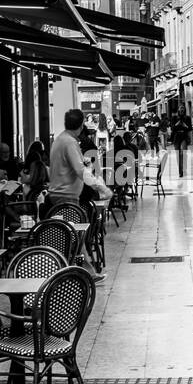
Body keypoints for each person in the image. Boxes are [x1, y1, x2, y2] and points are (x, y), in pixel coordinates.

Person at [48, 109, 112, 279]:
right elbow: (80, 171)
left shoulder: (60, 139)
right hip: (66, 196)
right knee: (75, 234)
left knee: (74, 234)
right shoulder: (69, 142)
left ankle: (88, 271)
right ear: (82, 125)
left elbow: (70, 166)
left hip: (59, 194)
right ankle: (85, 272)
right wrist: (102, 188)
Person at [170, 105, 192, 178]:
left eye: (183, 108)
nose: (182, 110)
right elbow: (172, 128)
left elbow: (190, 128)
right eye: (180, 108)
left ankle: (184, 169)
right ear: (178, 110)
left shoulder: (187, 118)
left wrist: (184, 125)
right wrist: (178, 123)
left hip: (184, 136)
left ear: (185, 110)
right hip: (176, 137)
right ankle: (180, 171)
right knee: (178, 155)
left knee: (184, 153)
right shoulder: (174, 118)